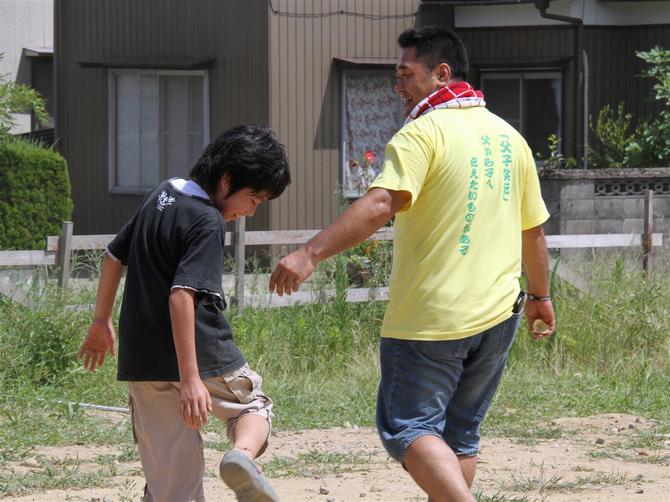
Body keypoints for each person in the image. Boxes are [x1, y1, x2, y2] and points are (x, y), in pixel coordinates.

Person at [269, 26, 555, 501]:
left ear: (442, 74)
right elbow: (534, 231)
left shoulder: (421, 134)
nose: (397, 85)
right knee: (459, 434)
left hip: (431, 318)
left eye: (406, 73)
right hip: (498, 315)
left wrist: (308, 253)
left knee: (409, 427)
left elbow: (382, 204)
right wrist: (542, 297)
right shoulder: (511, 138)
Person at [79, 125, 290, 502]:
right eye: (253, 198)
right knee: (252, 408)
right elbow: (181, 295)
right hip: (203, 356)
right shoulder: (207, 220)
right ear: (226, 180)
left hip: (143, 360)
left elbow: (114, 255)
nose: (250, 212)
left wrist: (101, 320)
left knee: (171, 480)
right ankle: (241, 458)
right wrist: (190, 379)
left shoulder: (162, 193)